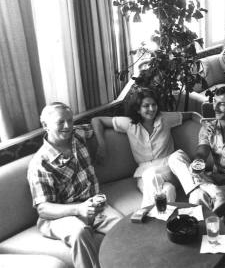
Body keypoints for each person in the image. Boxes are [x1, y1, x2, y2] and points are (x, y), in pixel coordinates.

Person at [27, 102, 122, 268]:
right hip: (59, 215)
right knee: (79, 232)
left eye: (70, 120)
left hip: (93, 203)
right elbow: (43, 209)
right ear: (45, 125)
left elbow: (96, 123)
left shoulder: (76, 134)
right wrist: (78, 209)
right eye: (61, 122)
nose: (68, 126)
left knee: (125, 228)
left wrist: (102, 145)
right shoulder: (40, 164)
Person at [91, 88, 200, 208]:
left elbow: (191, 115)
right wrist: (102, 145)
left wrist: (205, 122)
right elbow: (96, 120)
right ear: (138, 109)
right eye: (146, 106)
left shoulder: (165, 118)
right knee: (168, 190)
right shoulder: (129, 124)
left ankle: (144, 212)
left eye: (154, 105)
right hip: (145, 174)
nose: (152, 109)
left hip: (169, 169)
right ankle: (162, 222)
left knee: (173, 158)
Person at [168, 85, 225, 215]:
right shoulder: (209, 128)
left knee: (198, 195)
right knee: (175, 157)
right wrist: (197, 166)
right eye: (214, 102)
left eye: (222, 104)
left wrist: (213, 181)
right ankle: (212, 198)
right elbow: (201, 153)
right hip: (213, 182)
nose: (215, 108)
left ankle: (200, 218)